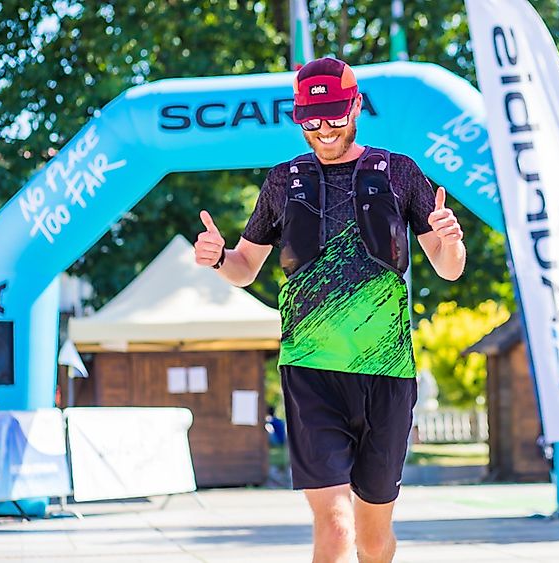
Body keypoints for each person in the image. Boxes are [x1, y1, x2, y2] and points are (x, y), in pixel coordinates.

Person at [194, 57, 465, 563]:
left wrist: (451, 240)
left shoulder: (399, 172)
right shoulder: (283, 181)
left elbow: (448, 268)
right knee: (336, 529)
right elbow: (245, 268)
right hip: (311, 371)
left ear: (356, 105)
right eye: (310, 120)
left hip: (386, 372)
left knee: (373, 535)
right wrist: (217, 258)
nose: (322, 130)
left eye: (334, 117)